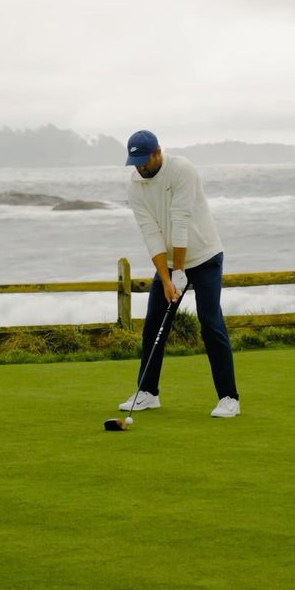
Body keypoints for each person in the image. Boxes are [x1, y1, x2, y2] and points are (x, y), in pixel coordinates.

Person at [119, 129, 240, 418]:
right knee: (153, 325)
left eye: (143, 160)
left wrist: (181, 272)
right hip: (172, 263)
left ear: (157, 153)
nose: (139, 167)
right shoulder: (135, 185)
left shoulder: (182, 170)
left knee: (210, 323)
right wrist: (166, 276)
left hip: (206, 255)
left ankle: (229, 398)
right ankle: (147, 392)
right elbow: (151, 233)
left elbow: (180, 222)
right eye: (134, 162)